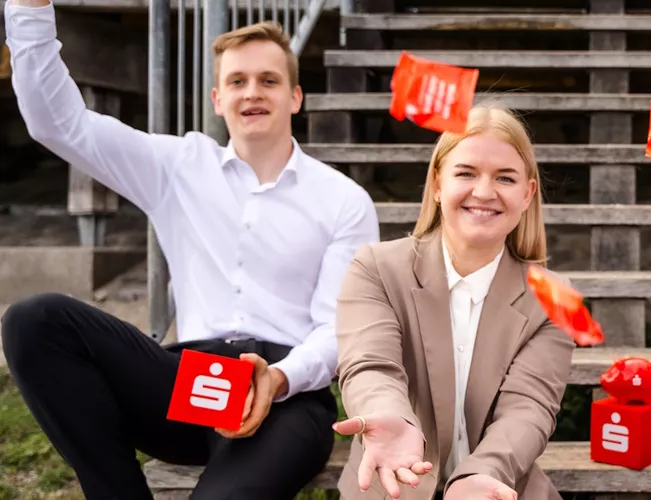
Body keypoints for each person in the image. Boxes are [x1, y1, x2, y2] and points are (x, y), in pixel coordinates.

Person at [1, 2, 379, 498]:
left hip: (288, 393)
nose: (253, 92)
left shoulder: (343, 200)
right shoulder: (179, 166)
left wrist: (278, 379)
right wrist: (30, 9)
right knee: (34, 320)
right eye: (239, 81)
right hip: (189, 383)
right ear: (218, 99)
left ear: (296, 97)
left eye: (269, 80)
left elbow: (338, 329)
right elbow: (58, 123)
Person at [331, 104, 576, 500]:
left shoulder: (553, 298)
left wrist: (481, 474)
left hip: (497, 490)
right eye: (466, 173)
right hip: (393, 487)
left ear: (528, 193)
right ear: (437, 184)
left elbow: (528, 409)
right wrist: (393, 417)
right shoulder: (376, 267)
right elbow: (371, 365)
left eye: (505, 178)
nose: (483, 191)